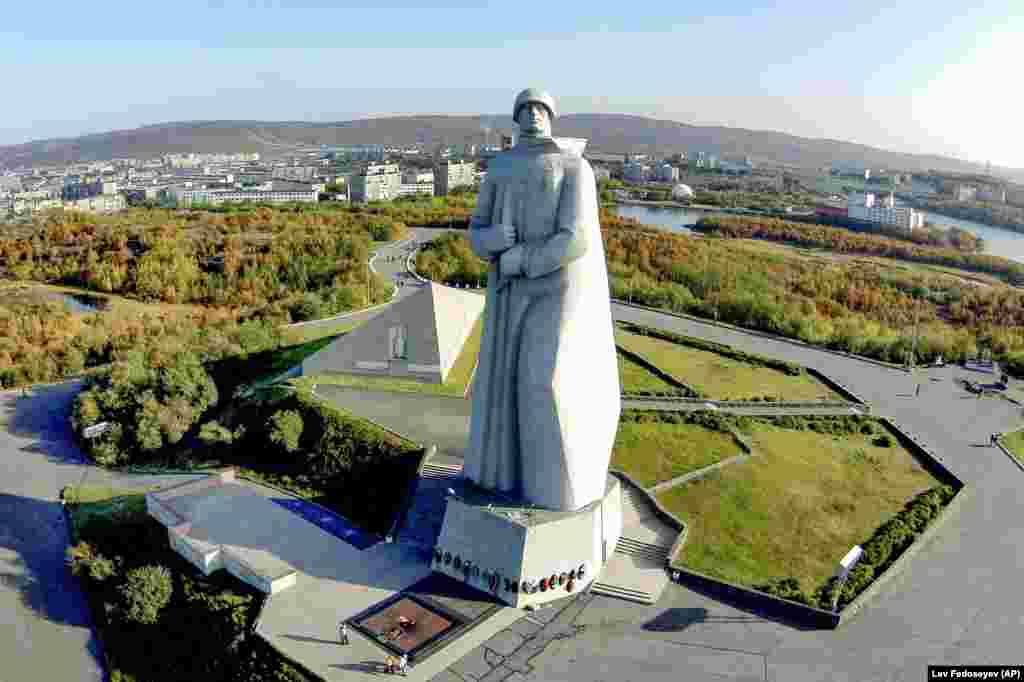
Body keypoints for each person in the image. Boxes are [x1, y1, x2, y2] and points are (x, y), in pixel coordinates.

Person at [463, 88, 620, 512]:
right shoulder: (501, 167)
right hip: (510, 291)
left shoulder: (574, 166)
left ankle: (557, 492)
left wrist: (522, 258)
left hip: (557, 287)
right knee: (505, 387)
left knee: (544, 383)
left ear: (551, 116)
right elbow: (477, 229)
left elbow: (576, 236)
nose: (533, 115)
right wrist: (492, 240)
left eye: (540, 109)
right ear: (516, 118)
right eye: (525, 109)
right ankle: (511, 482)